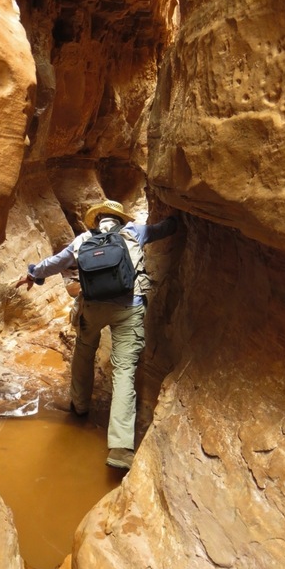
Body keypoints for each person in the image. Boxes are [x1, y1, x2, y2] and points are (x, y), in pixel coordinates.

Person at [16, 200, 177, 469]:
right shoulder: (135, 232)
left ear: (98, 220)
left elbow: (55, 263)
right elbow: (164, 229)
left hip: (92, 308)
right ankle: (120, 448)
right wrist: (177, 219)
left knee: (84, 349)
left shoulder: (82, 240)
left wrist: (33, 274)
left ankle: (79, 406)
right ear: (120, 219)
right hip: (129, 307)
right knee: (124, 371)